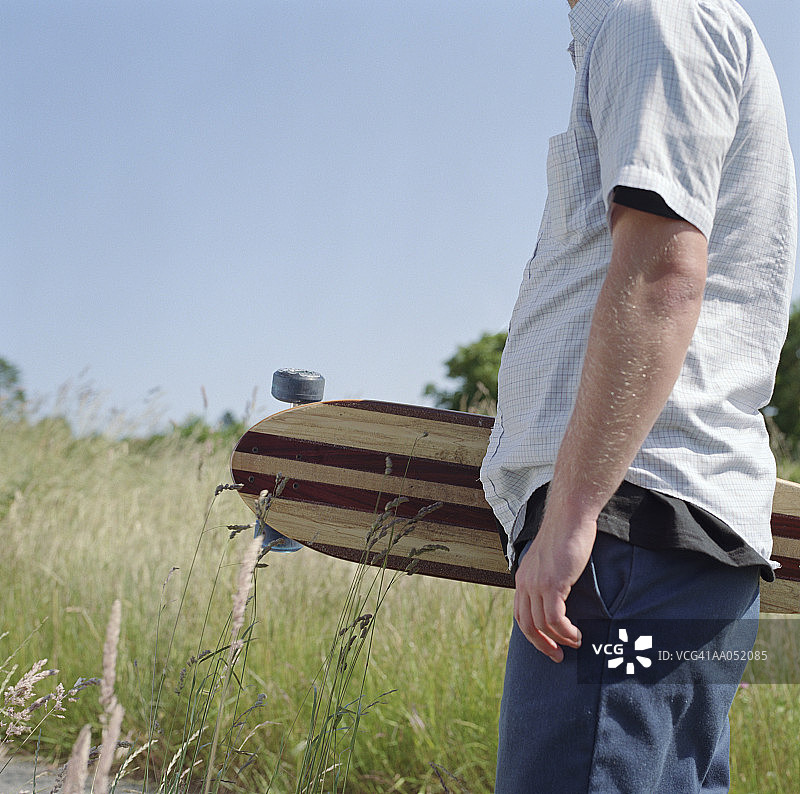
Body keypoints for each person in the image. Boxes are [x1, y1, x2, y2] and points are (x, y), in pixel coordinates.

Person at [479, 0, 797, 791]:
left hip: (629, 541)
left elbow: (661, 273)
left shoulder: (652, 17)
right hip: (656, 542)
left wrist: (574, 515)